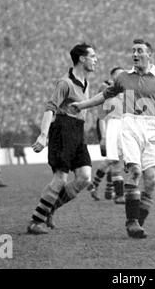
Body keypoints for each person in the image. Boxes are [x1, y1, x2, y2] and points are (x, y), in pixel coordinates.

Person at [71, 39, 155, 239]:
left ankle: (138, 220)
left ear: (150, 55)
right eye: (133, 51)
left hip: (152, 127)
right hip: (129, 125)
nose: (135, 54)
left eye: (139, 51)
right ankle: (132, 222)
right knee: (135, 171)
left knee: (152, 180)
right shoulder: (123, 78)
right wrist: (82, 105)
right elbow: (104, 96)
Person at [26, 43, 96, 235]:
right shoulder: (65, 83)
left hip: (78, 133)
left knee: (84, 178)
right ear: (82, 59)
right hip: (63, 130)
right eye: (93, 56)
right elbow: (50, 108)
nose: (95, 60)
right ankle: (35, 221)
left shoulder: (87, 83)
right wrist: (43, 135)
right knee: (60, 179)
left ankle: (50, 209)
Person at [87, 66, 126, 204]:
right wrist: (103, 136)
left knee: (113, 161)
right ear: (113, 77)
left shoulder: (124, 92)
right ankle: (115, 192)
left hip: (121, 129)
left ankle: (100, 186)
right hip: (111, 128)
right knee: (114, 161)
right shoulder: (106, 89)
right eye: (120, 75)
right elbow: (102, 116)